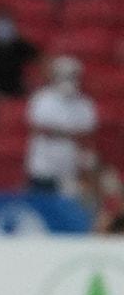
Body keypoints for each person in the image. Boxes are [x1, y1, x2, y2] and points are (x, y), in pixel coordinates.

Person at [26, 55, 98, 194]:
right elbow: (40, 129)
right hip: (43, 168)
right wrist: (72, 134)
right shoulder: (41, 99)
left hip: (71, 169)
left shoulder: (85, 104)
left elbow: (88, 135)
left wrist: (60, 133)